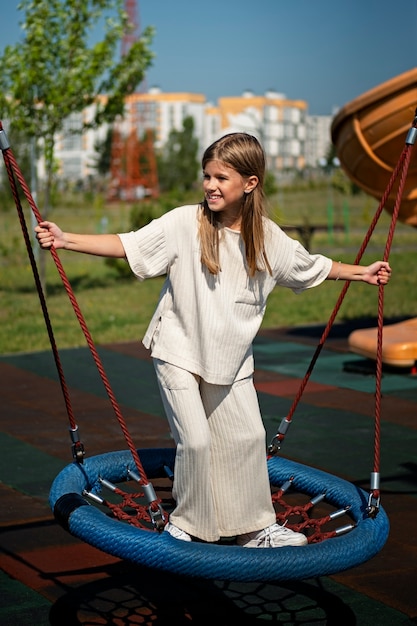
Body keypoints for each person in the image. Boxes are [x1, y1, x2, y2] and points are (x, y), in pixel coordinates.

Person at [35, 133, 391, 549]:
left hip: (231, 358)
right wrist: (66, 239)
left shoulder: (268, 237)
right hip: (179, 350)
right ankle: (188, 524)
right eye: (207, 175)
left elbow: (310, 266)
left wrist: (361, 272)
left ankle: (253, 527)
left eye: (222, 176)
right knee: (198, 442)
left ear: (250, 183)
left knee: (248, 439)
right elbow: (129, 244)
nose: (210, 185)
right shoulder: (186, 222)